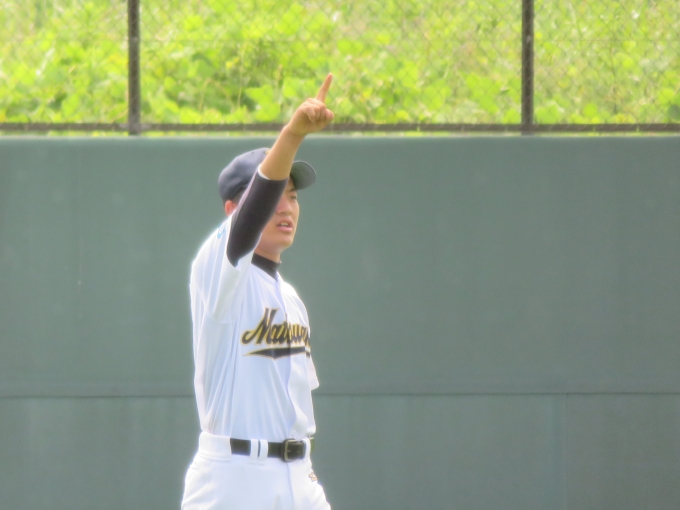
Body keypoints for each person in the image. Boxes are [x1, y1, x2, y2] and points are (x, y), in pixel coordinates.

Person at [181, 74, 334, 510]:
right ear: (234, 209)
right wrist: (293, 136)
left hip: (298, 477)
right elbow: (252, 214)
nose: (285, 206)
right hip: (235, 476)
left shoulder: (290, 298)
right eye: (275, 195)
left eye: (293, 196)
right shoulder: (216, 272)